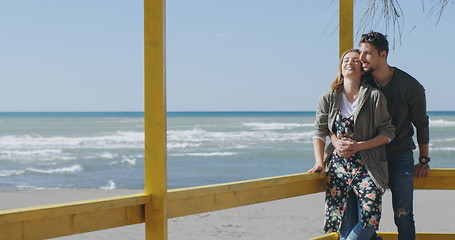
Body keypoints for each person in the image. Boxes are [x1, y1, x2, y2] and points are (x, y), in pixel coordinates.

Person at [333, 32, 431, 240]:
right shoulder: (362, 81)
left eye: (367, 54)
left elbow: (421, 123)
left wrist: (423, 160)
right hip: (367, 158)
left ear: (383, 55)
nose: (361, 58)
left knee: (403, 216)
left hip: (399, 156)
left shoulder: (410, 86)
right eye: (360, 52)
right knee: (365, 218)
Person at [308, 49, 395, 240]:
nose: (350, 62)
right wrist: (320, 162)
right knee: (345, 225)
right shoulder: (329, 98)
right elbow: (319, 131)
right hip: (339, 169)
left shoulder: (374, 96)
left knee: (369, 219)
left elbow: (388, 133)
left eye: (355, 60)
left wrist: (359, 146)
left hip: (368, 166)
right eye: (346, 60)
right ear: (340, 67)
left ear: (362, 68)